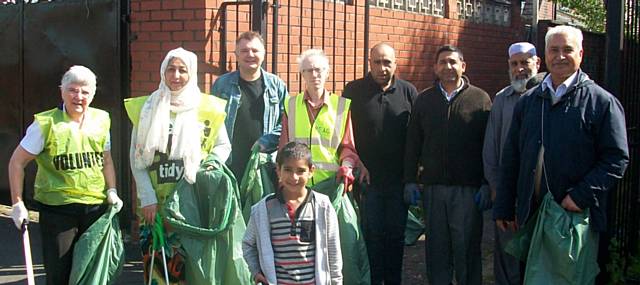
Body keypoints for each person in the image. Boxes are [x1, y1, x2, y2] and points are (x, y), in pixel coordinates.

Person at [493, 26, 629, 283]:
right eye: (554, 50)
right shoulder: (529, 102)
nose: (560, 56)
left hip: (575, 219)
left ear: (580, 53)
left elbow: (616, 159)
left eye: (567, 49)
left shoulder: (601, 102)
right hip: (531, 218)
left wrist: (580, 195)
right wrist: (504, 205)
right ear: (545, 55)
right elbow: (511, 157)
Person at [8, 65, 123, 285]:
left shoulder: (101, 120)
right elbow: (17, 162)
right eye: (72, 90)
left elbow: (106, 160)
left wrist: (112, 190)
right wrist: (17, 203)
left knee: (92, 273)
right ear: (62, 91)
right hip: (58, 210)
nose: (78, 96)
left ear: (93, 94)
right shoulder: (46, 124)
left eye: (85, 91)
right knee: (60, 273)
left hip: (95, 209)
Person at [125, 47, 231, 283]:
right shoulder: (147, 108)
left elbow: (223, 146)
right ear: (162, 71)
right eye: (170, 69)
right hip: (157, 205)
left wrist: (212, 163)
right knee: (160, 273)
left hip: (194, 202)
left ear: (191, 73)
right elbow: (137, 157)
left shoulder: (208, 108)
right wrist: (147, 197)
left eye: (182, 70)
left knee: (195, 271)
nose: (175, 75)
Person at [404, 45, 492, 285]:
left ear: (463, 66)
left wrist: (487, 183)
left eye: (453, 62)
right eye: (442, 62)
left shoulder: (480, 99)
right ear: (435, 67)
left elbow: (489, 146)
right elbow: (413, 143)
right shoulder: (425, 100)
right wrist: (410, 180)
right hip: (433, 189)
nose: (448, 67)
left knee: (467, 248)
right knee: (437, 250)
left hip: (468, 190)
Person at [342, 43, 417, 285]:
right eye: (377, 62)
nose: (382, 68)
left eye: (387, 62)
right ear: (369, 63)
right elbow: (342, 133)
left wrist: (413, 176)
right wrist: (357, 163)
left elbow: (417, 137)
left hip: (398, 182)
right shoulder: (353, 90)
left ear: (395, 64)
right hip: (367, 181)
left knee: (395, 237)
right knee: (371, 236)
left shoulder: (408, 92)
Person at [482, 42, 543, 285]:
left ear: (537, 63)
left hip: (540, 196)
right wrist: (498, 189)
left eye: (525, 62)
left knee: (537, 258)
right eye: (514, 64)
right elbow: (490, 150)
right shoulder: (501, 100)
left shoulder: (547, 96)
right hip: (508, 195)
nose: (520, 69)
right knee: (507, 257)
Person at [242, 141, 343, 285]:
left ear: (311, 171)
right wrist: (256, 271)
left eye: (301, 171)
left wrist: (336, 282)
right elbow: (247, 244)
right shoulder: (263, 210)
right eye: (288, 170)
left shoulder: (322, 207)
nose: (294, 177)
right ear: (278, 171)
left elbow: (333, 252)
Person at [211, 31, 287, 179]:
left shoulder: (276, 85)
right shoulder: (222, 84)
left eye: (255, 50)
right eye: (244, 51)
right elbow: (211, 121)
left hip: (264, 164)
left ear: (263, 54)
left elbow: (286, 121)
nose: (250, 54)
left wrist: (266, 141)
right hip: (229, 162)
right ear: (237, 55)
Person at [278, 48, 359, 187]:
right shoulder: (290, 105)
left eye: (319, 70)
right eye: (309, 70)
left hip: (330, 185)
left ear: (327, 73)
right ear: (302, 74)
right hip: (297, 185)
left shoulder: (341, 106)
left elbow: (348, 148)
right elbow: (283, 148)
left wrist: (346, 166)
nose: (314, 74)